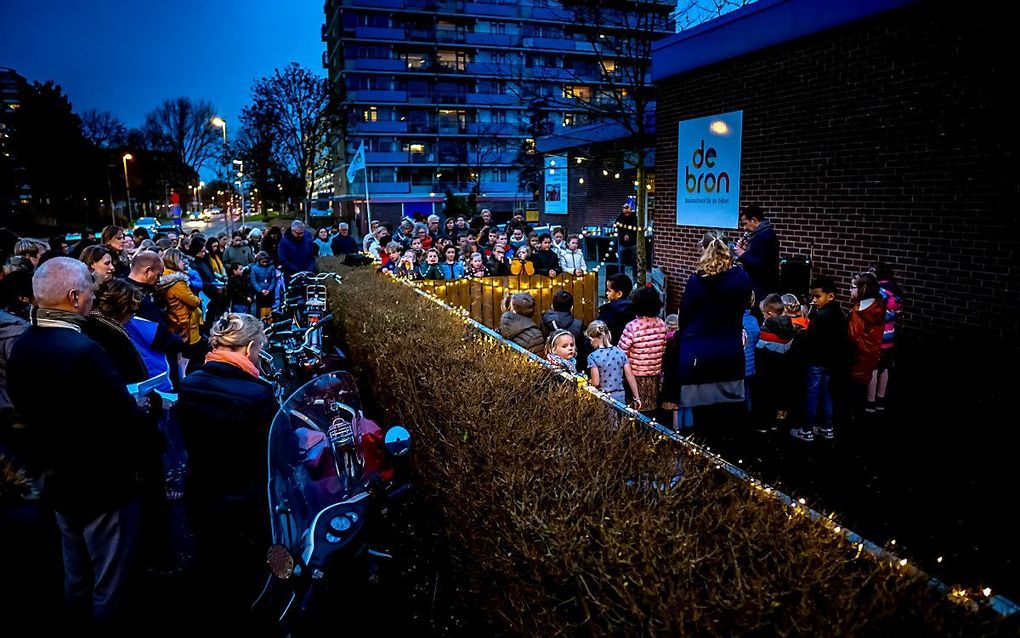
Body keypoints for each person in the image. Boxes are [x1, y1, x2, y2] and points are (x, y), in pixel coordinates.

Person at [7, 258, 145, 626]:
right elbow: (122, 419)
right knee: (109, 581)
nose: (93, 297)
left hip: (55, 479)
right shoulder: (82, 350)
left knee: (77, 574)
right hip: (99, 484)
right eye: (89, 291)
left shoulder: (23, 344)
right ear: (73, 297)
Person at [176, 313, 276, 619]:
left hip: (200, 488)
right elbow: (269, 452)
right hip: (243, 498)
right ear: (248, 350)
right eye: (259, 348)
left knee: (210, 559)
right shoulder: (258, 395)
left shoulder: (191, 381)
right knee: (243, 574)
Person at [674, 234, 752, 411]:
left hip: (699, 354)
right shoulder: (742, 279)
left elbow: (685, 315)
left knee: (702, 418)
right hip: (730, 350)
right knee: (729, 413)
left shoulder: (696, 282)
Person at [789, 276, 847, 442]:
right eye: (812, 297)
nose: (813, 301)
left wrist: (800, 333)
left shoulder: (821, 316)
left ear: (830, 296)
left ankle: (807, 429)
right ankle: (827, 427)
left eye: (817, 297)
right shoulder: (839, 313)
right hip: (832, 361)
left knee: (812, 394)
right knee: (827, 393)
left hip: (817, 360)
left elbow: (812, 339)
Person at [618, 286, 668, 412]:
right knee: (651, 410)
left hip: (634, 376)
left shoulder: (632, 327)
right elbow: (664, 348)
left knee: (635, 409)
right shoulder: (662, 324)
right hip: (655, 375)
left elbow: (621, 353)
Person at [158, 249, 204, 373]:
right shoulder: (177, 283)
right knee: (190, 359)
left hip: (177, 322)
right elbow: (193, 301)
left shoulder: (166, 279)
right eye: (180, 260)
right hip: (186, 324)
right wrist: (198, 300)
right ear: (173, 262)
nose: (184, 262)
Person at [848, 272, 885, 415]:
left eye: (852, 287)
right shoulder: (879, 305)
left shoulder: (858, 311)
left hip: (858, 355)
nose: (850, 290)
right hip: (873, 352)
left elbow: (852, 336)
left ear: (861, 289)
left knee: (854, 392)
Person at [870, 262, 904, 412]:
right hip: (890, 336)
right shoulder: (896, 291)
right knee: (885, 368)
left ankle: (870, 401)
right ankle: (881, 399)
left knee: (873, 369)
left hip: (878, 336)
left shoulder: (879, 292)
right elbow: (897, 313)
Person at [585, 320, 641, 409]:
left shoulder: (593, 357)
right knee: (619, 422)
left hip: (603, 399)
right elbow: (630, 376)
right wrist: (636, 397)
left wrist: (588, 382)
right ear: (608, 334)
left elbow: (596, 382)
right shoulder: (620, 352)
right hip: (620, 398)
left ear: (591, 338)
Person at [733, 204, 779, 304]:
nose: (744, 228)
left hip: (762, 288)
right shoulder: (761, 234)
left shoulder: (765, 236)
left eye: (745, 223)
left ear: (753, 220)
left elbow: (761, 264)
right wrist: (746, 250)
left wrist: (742, 254)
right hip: (760, 286)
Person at [541, 290, 585, 360]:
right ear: (571, 307)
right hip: (574, 362)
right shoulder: (578, 325)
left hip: (549, 361)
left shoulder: (544, 322)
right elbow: (582, 348)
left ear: (552, 306)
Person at [597, 273, 635, 346]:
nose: (606, 293)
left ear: (619, 294)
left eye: (609, 290)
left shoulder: (607, 311)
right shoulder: (634, 309)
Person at [615, 204, 638, 276]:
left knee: (635, 262)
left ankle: (635, 278)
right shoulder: (620, 218)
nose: (627, 214)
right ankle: (621, 276)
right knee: (621, 262)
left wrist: (628, 235)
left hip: (633, 242)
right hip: (622, 243)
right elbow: (618, 228)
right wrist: (623, 235)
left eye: (628, 212)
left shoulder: (634, 218)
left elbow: (635, 228)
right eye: (625, 213)